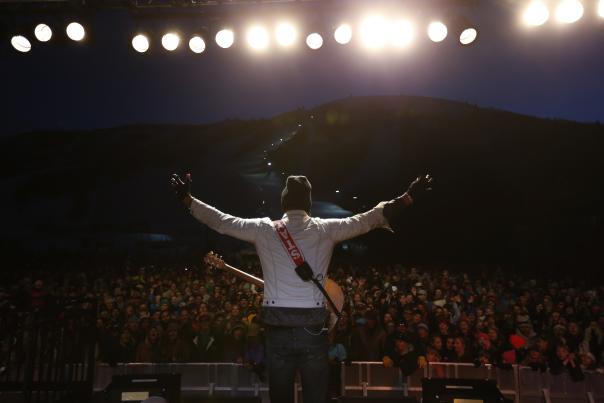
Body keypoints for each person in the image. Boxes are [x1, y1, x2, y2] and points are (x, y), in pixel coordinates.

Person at [170, 172, 433, 403]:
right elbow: (368, 219)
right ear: (308, 203)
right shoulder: (326, 229)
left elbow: (221, 221)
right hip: (313, 326)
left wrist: (187, 199)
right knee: (316, 396)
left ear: (284, 203)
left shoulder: (263, 229)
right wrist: (407, 197)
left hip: (277, 326)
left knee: (280, 396)